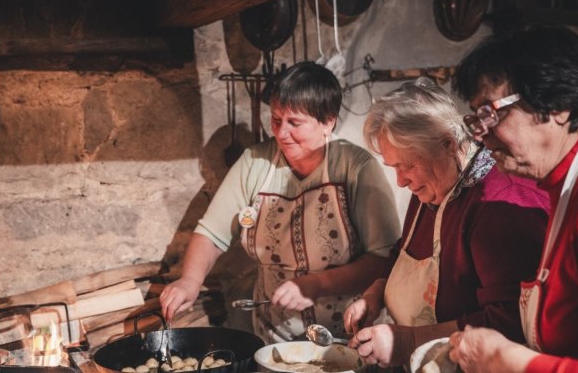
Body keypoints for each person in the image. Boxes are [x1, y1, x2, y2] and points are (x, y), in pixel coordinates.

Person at [160, 61, 402, 342]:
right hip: (275, 334)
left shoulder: (355, 167)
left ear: (328, 122)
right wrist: (189, 281)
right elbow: (213, 234)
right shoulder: (254, 162)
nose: (281, 133)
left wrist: (317, 284)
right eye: (276, 120)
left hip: (347, 335)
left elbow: (384, 258)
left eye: (294, 123)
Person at [447, 25, 578, 372]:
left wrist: (503, 358)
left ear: (558, 106)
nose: (482, 137)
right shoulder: (566, 184)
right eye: (476, 118)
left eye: (490, 112)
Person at [345, 78, 549, 368]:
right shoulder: (432, 189)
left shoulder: (497, 205)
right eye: (394, 167)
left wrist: (410, 341)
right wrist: (375, 292)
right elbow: (405, 253)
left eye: (409, 165)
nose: (401, 181)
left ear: (448, 144)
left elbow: (512, 321)